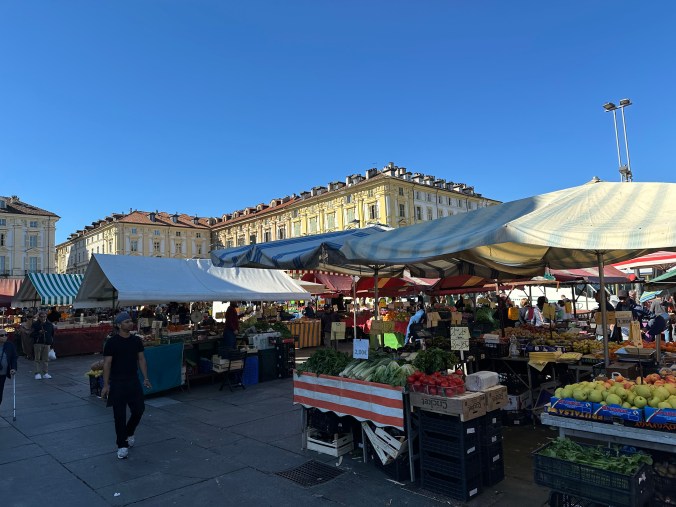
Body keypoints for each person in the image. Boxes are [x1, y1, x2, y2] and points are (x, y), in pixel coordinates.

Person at [101, 311, 152, 460]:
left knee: (139, 410)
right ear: (119, 325)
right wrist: (105, 385)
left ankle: (129, 432)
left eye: (131, 321)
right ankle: (122, 445)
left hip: (133, 380)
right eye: (127, 322)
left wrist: (146, 378)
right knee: (119, 416)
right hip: (117, 383)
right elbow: (107, 364)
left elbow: (141, 359)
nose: (131, 323)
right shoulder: (111, 342)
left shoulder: (136, 341)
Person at [31, 311, 55, 380]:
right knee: (37, 359)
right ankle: (37, 373)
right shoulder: (35, 324)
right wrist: (38, 333)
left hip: (47, 343)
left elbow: (52, 335)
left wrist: (51, 345)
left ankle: (45, 373)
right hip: (38, 343)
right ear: (39, 317)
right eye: (41, 317)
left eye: (44, 316)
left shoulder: (49, 325)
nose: (43, 318)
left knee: (46, 359)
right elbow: (31, 334)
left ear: (46, 317)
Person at [0, 329, 18, 408]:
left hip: (3, 374)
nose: (4, 337)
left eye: (6, 335)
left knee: (0, 393)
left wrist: (13, 368)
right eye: (2, 335)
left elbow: (14, 357)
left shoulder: (10, 345)